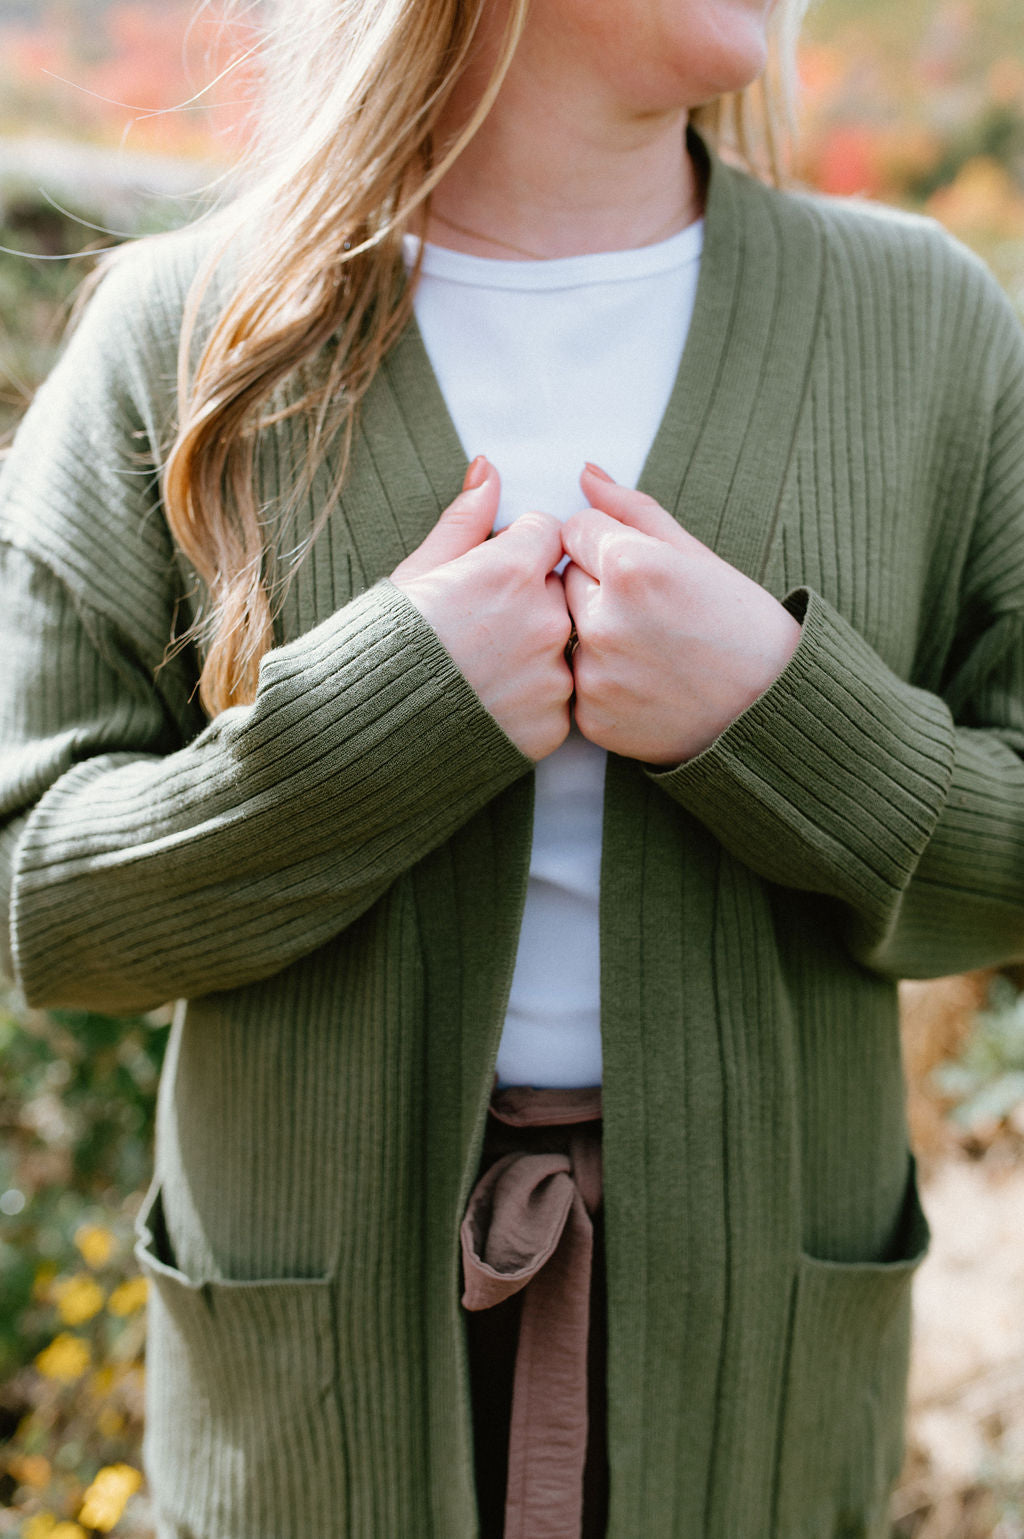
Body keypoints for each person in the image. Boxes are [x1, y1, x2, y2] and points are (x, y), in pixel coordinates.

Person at [2, 0, 1024, 1533]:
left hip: (761, 1384)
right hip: (311, 1409)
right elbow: (35, 892)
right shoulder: (186, 328)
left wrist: (781, 717)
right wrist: (382, 724)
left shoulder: (927, 327)